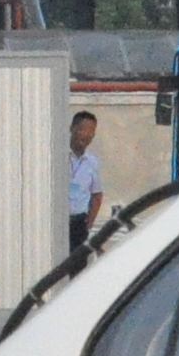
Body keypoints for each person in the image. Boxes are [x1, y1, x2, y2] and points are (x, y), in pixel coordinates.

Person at [67, 109, 105, 257]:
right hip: (58, 221)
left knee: (77, 268)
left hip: (78, 224)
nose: (87, 135)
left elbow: (97, 196)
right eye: (83, 130)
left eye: (91, 132)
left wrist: (88, 225)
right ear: (72, 129)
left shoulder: (92, 162)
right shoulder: (57, 155)